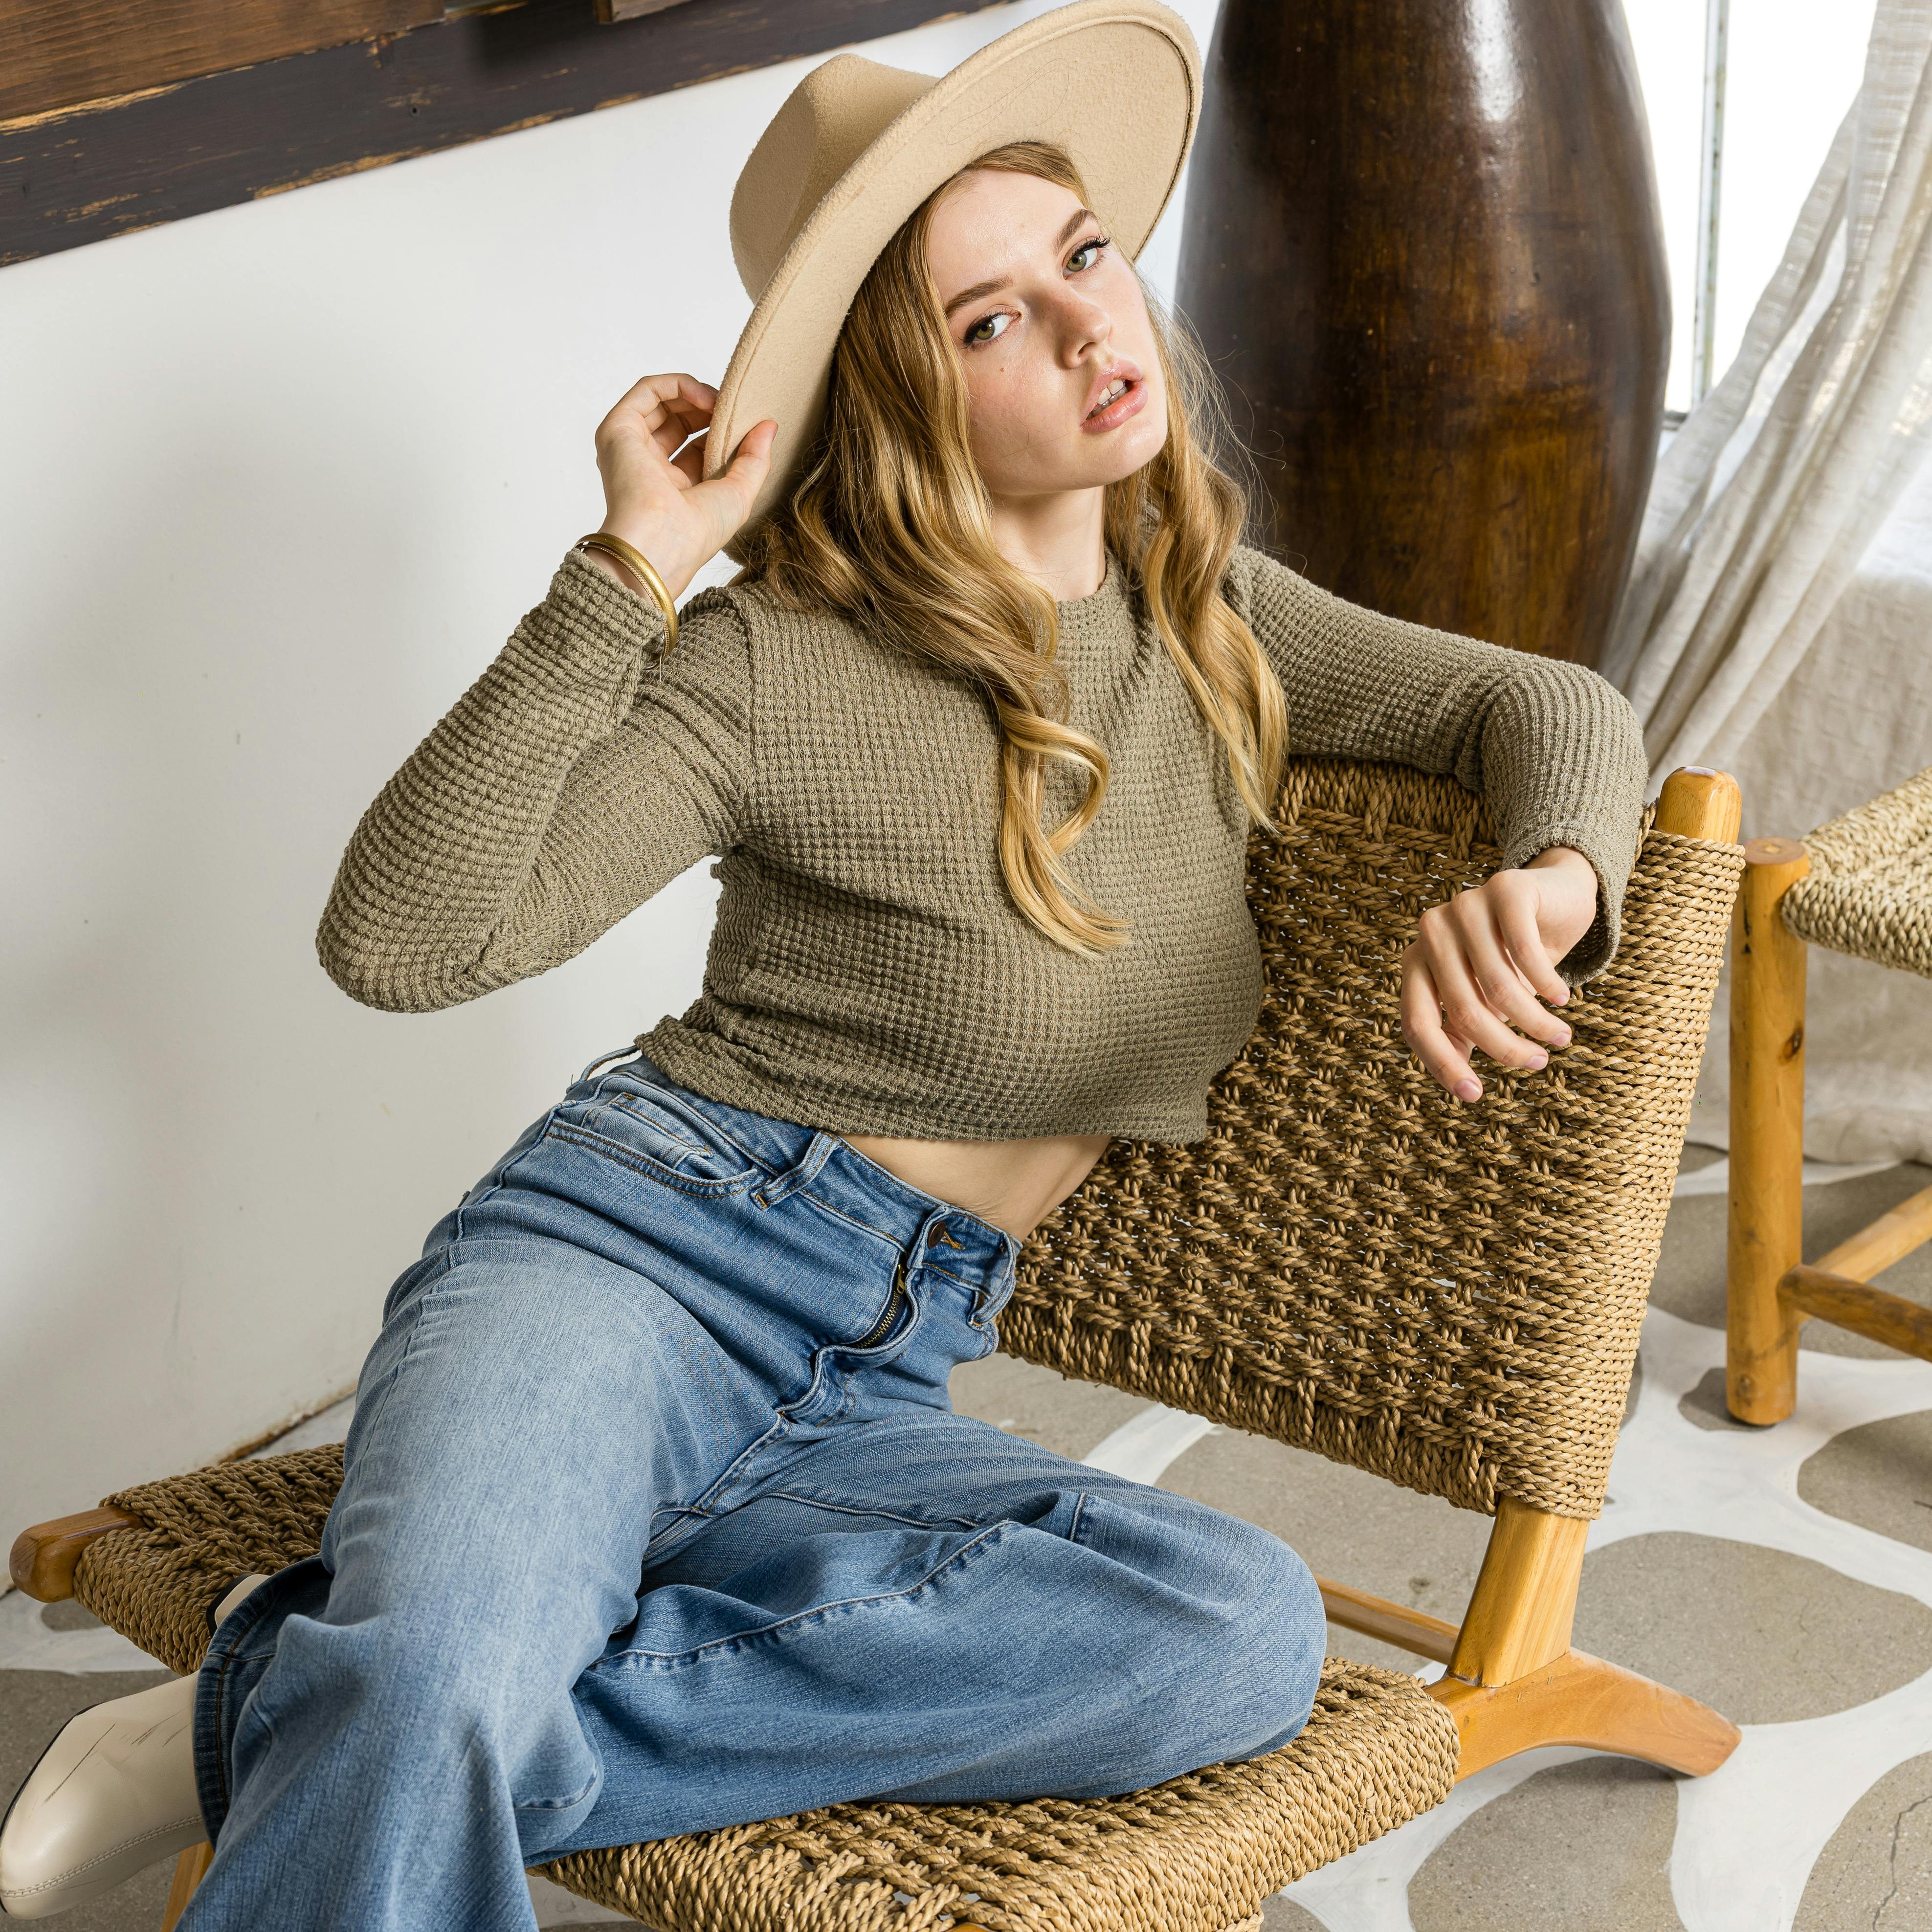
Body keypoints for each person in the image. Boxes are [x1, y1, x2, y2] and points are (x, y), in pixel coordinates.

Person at [0, 2, 1647, 1925]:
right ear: (904, 404)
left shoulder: (1214, 617)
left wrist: (1553, 883)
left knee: (1229, 1632)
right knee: (447, 1667)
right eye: (985, 322)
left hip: (880, 1371)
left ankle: (282, 1710)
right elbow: (402, 939)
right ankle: (401, 1700)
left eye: (1080, 258)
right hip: (620, 1272)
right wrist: (627, 574)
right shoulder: (779, 660)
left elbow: (1542, 710)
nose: (1084, 327)